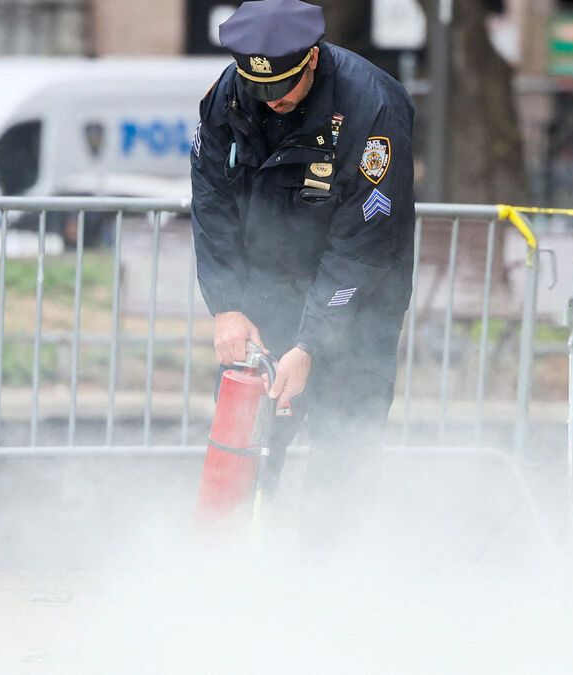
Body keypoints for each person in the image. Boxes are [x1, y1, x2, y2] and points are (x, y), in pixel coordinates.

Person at [190, 0, 415, 536]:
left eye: (283, 88)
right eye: (259, 89)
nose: (271, 102)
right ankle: (223, 567)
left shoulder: (373, 105)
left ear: (312, 59)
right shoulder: (230, 92)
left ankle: (324, 581)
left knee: (344, 445)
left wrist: (311, 343)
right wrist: (227, 305)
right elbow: (211, 200)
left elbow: (363, 241)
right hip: (267, 288)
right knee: (245, 438)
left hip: (361, 295)